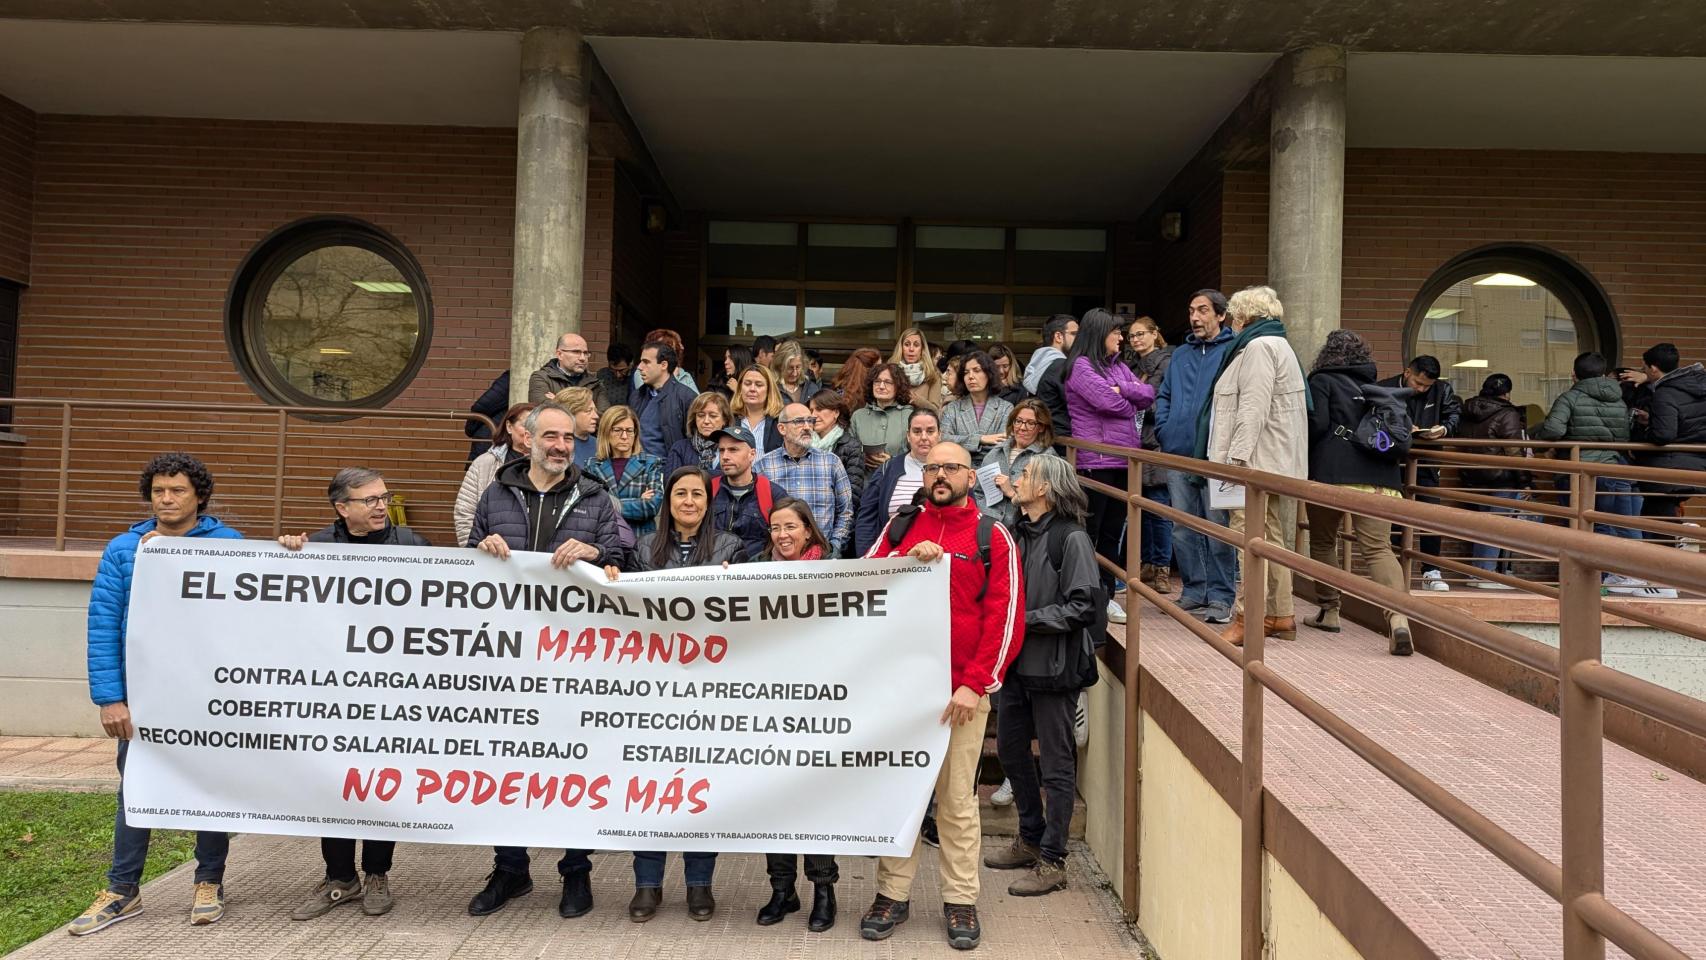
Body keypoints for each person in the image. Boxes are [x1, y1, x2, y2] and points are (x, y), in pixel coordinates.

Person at [860, 441, 1024, 951]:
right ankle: (893, 894)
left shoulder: (991, 535)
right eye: (932, 467)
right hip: (903, 694)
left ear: (971, 478)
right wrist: (904, 560)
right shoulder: (901, 528)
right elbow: (864, 583)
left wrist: (975, 684)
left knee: (956, 803)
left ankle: (960, 900)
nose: (940, 474)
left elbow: (1006, 617)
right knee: (901, 798)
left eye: (951, 467)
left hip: (961, 696)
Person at [465, 401, 627, 920]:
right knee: (508, 766)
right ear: (527, 439)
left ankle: (575, 872)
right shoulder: (495, 493)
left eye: (568, 438)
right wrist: (482, 547)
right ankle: (510, 869)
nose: (561, 446)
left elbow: (623, 558)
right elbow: (468, 558)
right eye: (551, 436)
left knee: (574, 765)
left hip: (574, 660)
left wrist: (596, 554)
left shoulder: (596, 497)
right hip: (509, 661)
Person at [71, 453, 243, 936]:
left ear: (199, 497)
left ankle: (209, 880)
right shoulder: (125, 549)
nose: (167, 499)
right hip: (143, 697)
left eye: (178, 491)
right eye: (159, 491)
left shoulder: (228, 545)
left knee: (208, 789)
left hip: (208, 695)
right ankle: (122, 889)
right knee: (137, 789)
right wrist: (110, 698)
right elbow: (103, 625)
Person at [277, 468, 426, 920]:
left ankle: (377, 873)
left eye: (384, 497)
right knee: (335, 783)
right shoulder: (316, 547)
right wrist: (287, 556)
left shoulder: (414, 546)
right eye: (369, 500)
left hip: (393, 691)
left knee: (380, 784)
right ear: (342, 508)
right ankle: (340, 877)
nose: (381, 506)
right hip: (334, 694)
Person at [601, 467, 741, 923]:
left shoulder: (731, 548)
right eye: (679, 493)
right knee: (650, 788)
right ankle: (647, 884)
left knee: (705, 790)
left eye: (696, 494)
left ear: (707, 501)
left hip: (709, 691)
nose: (688, 501)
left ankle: (700, 884)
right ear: (668, 501)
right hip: (654, 691)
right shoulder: (643, 549)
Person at [983, 454, 1097, 896]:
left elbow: (1084, 605)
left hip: (1054, 668)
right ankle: (1030, 837)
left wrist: (1023, 619)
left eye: (1026, 474)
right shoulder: (1016, 532)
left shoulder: (1071, 539)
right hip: (1015, 666)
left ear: (1046, 488)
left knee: (1057, 764)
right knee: (1011, 752)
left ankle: (1053, 860)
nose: (1017, 478)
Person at [1200, 285, 1308, 647]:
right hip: (1273, 461)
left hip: (1255, 463)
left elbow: (1253, 407)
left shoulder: (1259, 347)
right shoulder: (1278, 344)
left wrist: (1236, 463)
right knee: (1271, 538)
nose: (1231, 321)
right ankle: (1281, 614)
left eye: (1233, 315)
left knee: (1250, 540)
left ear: (1245, 316)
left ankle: (1249, 618)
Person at [753, 496, 842, 931]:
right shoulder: (754, 569)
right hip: (766, 705)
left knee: (815, 800)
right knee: (775, 799)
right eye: (775, 528)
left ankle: (824, 890)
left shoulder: (838, 572)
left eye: (791, 527)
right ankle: (782, 890)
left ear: (808, 530)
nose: (782, 535)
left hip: (818, 705)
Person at [1301, 331, 1413, 654]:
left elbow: (1317, 425)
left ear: (1327, 354)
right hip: (1381, 479)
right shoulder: (1380, 389)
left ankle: (1330, 610)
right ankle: (1398, 620)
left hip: (1331, 477)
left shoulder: (1322, 381)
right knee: (1379, 550)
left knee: (1323, 542)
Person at [1064, 308, 1155, 626]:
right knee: (1092, 532)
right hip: (1095, 462)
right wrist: (1125, 396)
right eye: (1116, 332)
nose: (1121, 338)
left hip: (1123, 461)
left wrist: (1125, 390)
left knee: (1113, 532)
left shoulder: (1118, 367)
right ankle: (1089, 597)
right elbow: (1110, 404)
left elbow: (1148, 394)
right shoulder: (1081, 366)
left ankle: (1106, 596)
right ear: (1099, 333)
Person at [1152, 290, 1238, 624]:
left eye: (1202, 311)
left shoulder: (1234, 351)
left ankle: (1220, 596)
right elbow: (1165, 394)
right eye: (1191, 311)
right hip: (1179, 454)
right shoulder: (1181, 354)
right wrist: (1165, 429)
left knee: (1218, 527)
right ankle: (1194, 590)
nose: (1195, 317)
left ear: (1221, 315)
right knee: (1182, 528)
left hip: (1216, 456)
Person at [1534, 351, 1643, 550]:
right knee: (1602, 523)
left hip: (1576, 471)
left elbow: (1553, 429)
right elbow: (1623, 437)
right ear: (1602, 375)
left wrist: (1540, 437)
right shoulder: (1618, 401)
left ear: (1574, 375)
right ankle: (1599, 577)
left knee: (1574, 524)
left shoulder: (1569, 398)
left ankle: (1578, 577)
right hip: (1607, 469)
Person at [1380, 355, 1460, 590]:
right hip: (1392, 461)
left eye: (1427, 385)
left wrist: (1443, 429)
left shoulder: (1442, 390)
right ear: (1407, 372)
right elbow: (1375, 420)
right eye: (1418, 382)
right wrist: (1402, 429)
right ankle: (1393, 570)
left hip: (1426, 461)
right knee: (1393, 513)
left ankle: (1430, 571)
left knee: (1429, 515)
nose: (1422, 388)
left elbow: (1454, 416)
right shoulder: (1386, 388)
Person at [1458, 373, 1532, 585]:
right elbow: (1514, 451)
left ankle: (1477, 572)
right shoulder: (1508, 413)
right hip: (1501, 477)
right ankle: (1486, 573)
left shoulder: (1468, 409)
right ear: (1507, 393)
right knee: (1497, 526)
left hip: (1472, 475)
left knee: (1483, 525)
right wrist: (1524, 480)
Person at [756, 402, 854, 555]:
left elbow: (846, 512)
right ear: (782, 428)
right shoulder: (762, 466)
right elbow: (757, 515)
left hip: (823, 557)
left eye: (810, 421)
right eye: (799, 421)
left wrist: (834, 547)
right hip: (779, 557)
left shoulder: (831, 462)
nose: (807, 427)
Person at [1629, 342, 1706, 529]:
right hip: (1697, 464)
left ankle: (1664, 557)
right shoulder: (1697, 388)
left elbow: (1664, 435)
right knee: (1663, 521)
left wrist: (1647, 431)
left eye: (1644, 368)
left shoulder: (1664, 393)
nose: (1644, 372)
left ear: (1654, 369)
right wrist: (1654, 419)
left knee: (1657, 527)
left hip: (1667, 469)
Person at [1125, 316, 1175, 594]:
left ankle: (1162, 568)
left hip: (1156, 441)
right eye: (1132, 336)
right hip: (1134, 441)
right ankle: (1146, 564)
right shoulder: (1130, 366)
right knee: (1139, 507)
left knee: (1159, 507)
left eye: (1141, 334)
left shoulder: (1167, 362)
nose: (1136, 340)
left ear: (1156, 334)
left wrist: (1134, 398)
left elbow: (1159, 402)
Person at [856, 408, 939, 555]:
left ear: (940, 434)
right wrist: (866, 558)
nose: (924, 437)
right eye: (917, 431)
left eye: (930, 431)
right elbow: (867, 518)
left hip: (940, 557)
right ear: (908, 436)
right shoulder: (888, 469)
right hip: (891, 559)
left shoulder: (955, 469)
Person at [455, 401, 534, 546]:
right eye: (526, 425)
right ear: (509, 427)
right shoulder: (484, 463)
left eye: (536, 427)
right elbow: (465, 512)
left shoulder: (549, 466)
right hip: (490, 555)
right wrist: (475, 549)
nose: (531, 431)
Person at [708, 424, 791, 561]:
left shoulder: (773, 494)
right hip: (713, 573)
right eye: (721, 450)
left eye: (733, 450)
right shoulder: (708, 489)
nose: (725, 457)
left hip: (757, 575)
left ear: (752, 454)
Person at [584, 405, 665, 537]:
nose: (624, 436)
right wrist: (637, 500)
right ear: (606, 432)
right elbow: (591, 507)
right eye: (617, 430)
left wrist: (612, 504)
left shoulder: (651, 463)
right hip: (605, 538)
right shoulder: (592, 465)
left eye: (629, 430)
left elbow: (651, 507)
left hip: (640, 539)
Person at [978, 399, 1053, 530]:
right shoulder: (995, 452)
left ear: (1041, 427)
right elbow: (978, 492)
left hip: (1022, 530)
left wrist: (1012, 493)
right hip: (986, 526)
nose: (1022, 428)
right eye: (1018, 421)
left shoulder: (1047, 459)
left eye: (1030, 423)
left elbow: (1047, 507)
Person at [941, 350, 1015, 460]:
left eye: (977, 370)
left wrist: (962, 443)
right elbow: (944, 440)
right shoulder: (952, 408)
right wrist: (981, 439)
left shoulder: (1006, 408)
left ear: (989, 374)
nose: (970, 376)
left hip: (992, 470)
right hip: (959, 468)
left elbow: (1003, 445)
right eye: (966, 372)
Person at [630, 338, 696, 457]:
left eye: (646, 362)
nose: (639, 367)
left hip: (670, 469)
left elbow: (694, 443)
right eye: (641, 361)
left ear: (664, 365)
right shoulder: (636, 396)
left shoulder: (686, 397)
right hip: (637, 468)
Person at [808, 389, 869, 508]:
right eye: (811, 411)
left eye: (819, 409)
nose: (813, 415)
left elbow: (853, 493)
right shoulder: (803, 443)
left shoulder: (852, 446)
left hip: (837, 515)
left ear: (836, 412)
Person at [1027, 317, 1080, 447]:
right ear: (1058, 336)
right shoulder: (1061, 366)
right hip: (1063, 442)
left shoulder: (1036, 364)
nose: (1079, 340)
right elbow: (1075, 404)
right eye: (1074, 334)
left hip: (1043, 439)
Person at [851, 361, 915, 468]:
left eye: (888, 382)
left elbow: (919, 453)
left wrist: (893, 461)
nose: (881, 386)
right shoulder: (858, 416)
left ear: (898, 386)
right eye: (877, 381)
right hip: (865, 480)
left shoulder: (910, 415)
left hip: (898, 478)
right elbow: (848, 452)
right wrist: (862, 457)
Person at [664, 391, 732, 478]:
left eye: (713, 416)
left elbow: (736, 483)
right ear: (694, 419)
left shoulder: (733, 449)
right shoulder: (680, 449)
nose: (706, 421)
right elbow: (672, 485)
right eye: (701, 415)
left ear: (725, 420)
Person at [528, 332, 600, 403]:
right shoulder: (541, 378)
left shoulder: (595, 382)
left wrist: (559, 401)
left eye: (585, 353)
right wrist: (586, 408)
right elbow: (544, 409)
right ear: (559, 354)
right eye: (576, 352)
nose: (583, 358)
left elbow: (604, 414)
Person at [734, 363, 785, 454]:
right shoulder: (730, 419)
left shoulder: (780, 421)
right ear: (740, 388)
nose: (752, 389)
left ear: (769, 390)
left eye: (759, 385)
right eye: (747, 384)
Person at [630, 328, 699, 392]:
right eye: (665, 347)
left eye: (672, 349)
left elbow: (696, 402)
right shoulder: (642, 372)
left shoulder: (683, 374)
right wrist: (672, 380)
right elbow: (653, 401)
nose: (668, 352)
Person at [889, 327, 943, 408]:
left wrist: (919, 401)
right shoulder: (890, 371)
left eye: (916, 345)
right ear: (901, 348)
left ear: (922, 349)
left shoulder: (933, 374)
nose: (911, 349)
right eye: (907, 344)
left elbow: (936, 412)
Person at [464, 369, 510, 463]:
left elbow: (482, 406)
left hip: (492, 437)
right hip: (490, 437)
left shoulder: (512, 377)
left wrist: (470, 428)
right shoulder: (512, 377)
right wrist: (470, 428)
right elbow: (484, 405)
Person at [831, 346, 884, 412]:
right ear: (870, 369)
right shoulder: (871, 392)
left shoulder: (839, 389)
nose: (881, 371)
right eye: (879, 367)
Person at [558, 386, 600, 467]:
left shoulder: (599, 444)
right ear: (570, 413)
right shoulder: (558, 446)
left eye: (595, 411)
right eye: (588, 411)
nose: (596, 416)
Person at [772, 339, 822, 406]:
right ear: (780, 365)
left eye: (798, 367)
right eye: (790, 368)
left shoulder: (811, 387)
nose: (795, 373)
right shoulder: (771, 387)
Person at [595, 343, 634, 411]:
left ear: (630, 364)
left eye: (622, 370)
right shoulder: (602, 375)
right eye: (613, 370)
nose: (618, 375)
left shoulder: (637, 377)